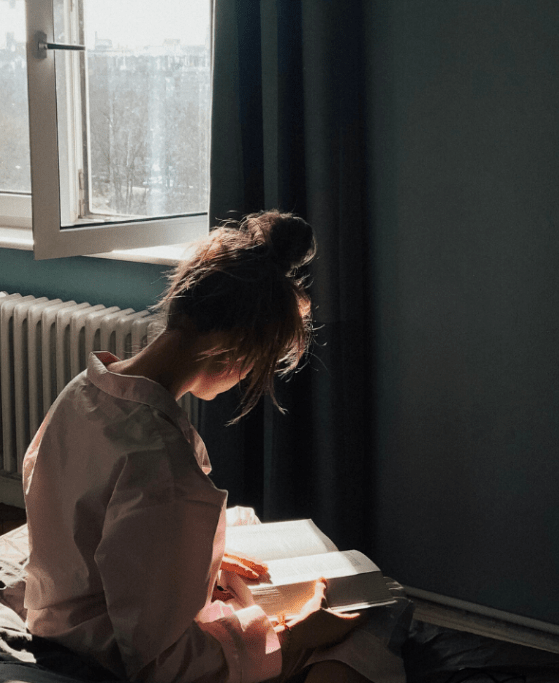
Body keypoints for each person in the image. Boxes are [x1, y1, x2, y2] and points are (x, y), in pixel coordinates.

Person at [21, 211, 403, 683]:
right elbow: (161, 664)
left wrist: (201, 561)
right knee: (381, 614)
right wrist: (298, 635)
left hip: (55, 612)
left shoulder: (85, 389)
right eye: (256, 363)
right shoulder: (160, 465)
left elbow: (96, 522)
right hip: (103, 650)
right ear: (231, 352)